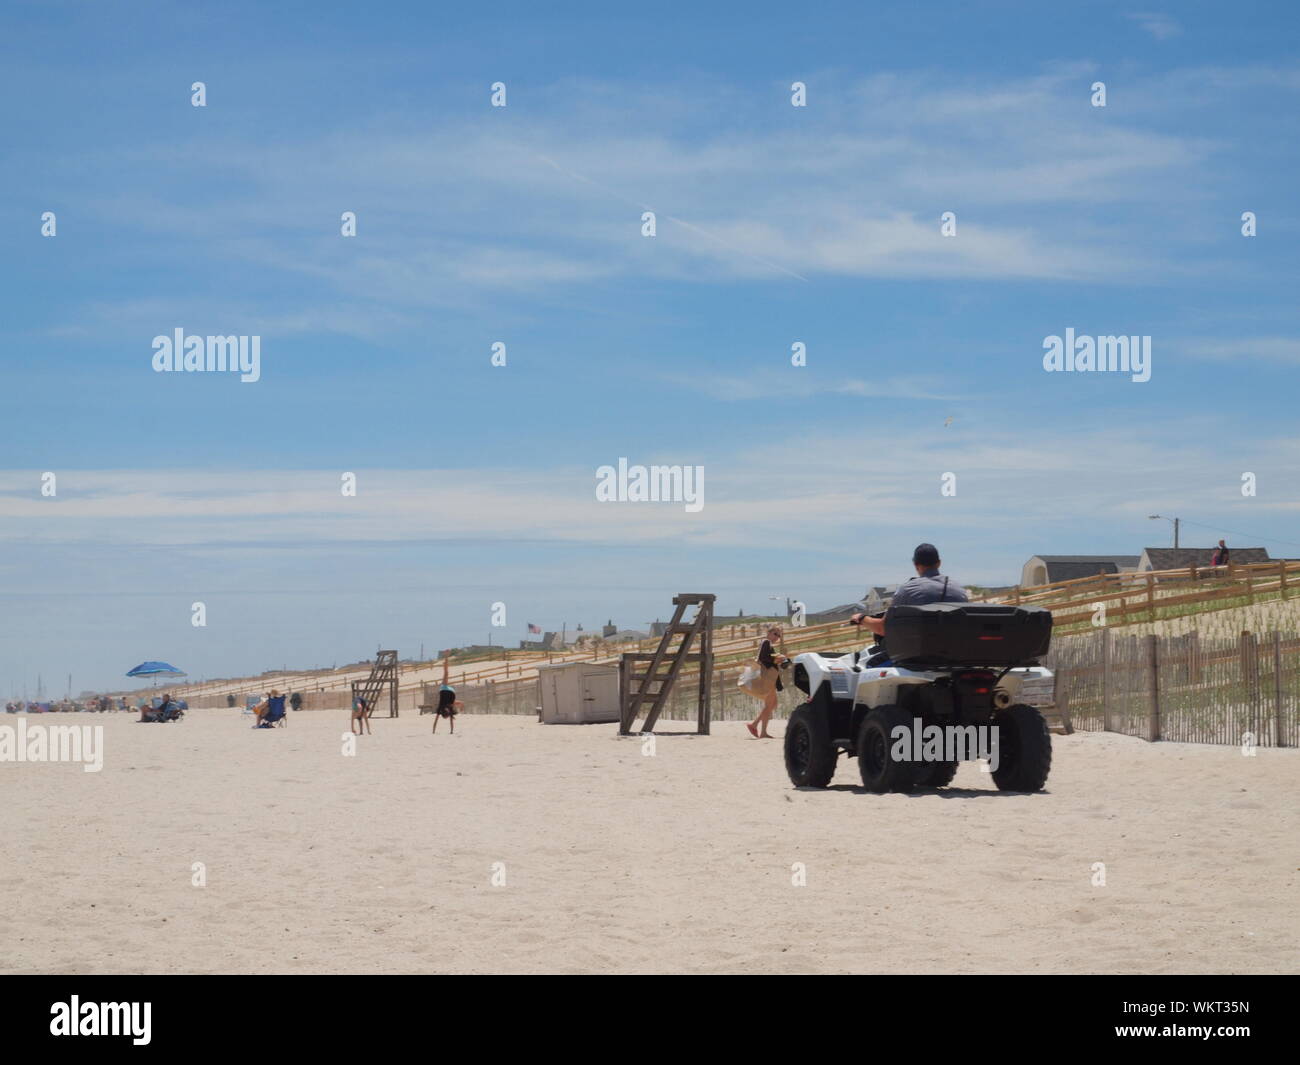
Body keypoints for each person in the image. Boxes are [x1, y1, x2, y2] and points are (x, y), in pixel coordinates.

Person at [850, 543, 969, 639]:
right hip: (957, 655)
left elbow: (883, 629)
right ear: (939, 563)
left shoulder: (908, 589)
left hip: (921, 658)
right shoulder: (959, 590)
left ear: (916, 565)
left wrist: (861, 618)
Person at [746, 624, 789, 739]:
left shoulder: (767, 643)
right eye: (775, 634)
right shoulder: (766, 642)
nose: (777, 637)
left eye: (779, 636)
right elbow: (762, 658)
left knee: (772, 704)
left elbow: (766, 658)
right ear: (769, 633)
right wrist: (777, 658)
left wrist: (778, 659)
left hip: (769, 678)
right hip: (767, 678)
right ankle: (757, 727)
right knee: (770, 704)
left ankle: (758, 727)